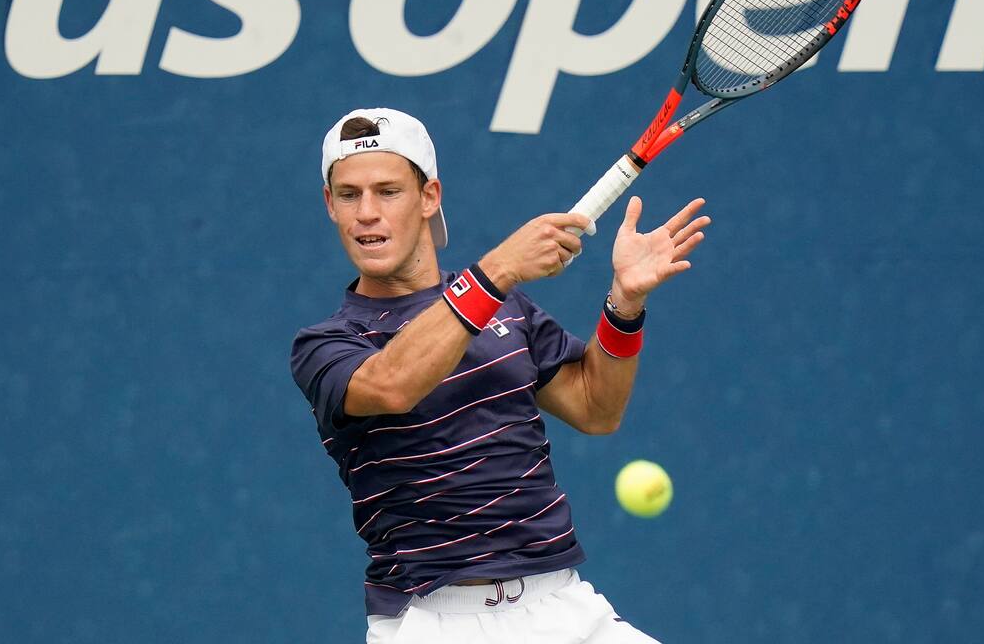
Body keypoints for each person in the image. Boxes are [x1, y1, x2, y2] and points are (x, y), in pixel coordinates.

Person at [291, 108, 708, 643]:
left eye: (387, 191)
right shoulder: (325, 345)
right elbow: (392, 385)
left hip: (563, 608)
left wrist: (624, 305)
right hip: (435, 623)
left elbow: (595, 408)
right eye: (349, 195)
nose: (366, 213)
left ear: (429, 197)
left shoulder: (505, 308)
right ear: (330, 204)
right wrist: (496, 272)